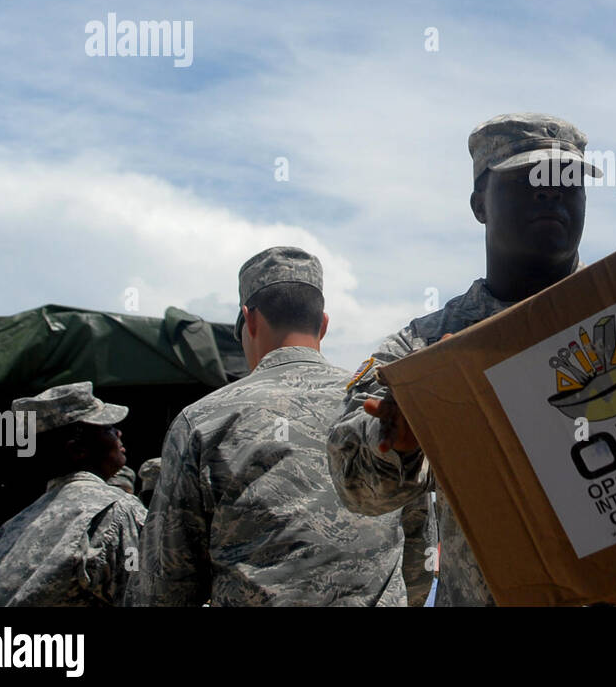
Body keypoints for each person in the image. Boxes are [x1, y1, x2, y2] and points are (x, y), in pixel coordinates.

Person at [328, 113, 599, 606]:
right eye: (528, 178)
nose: (550, 191)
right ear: (479, 204)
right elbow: (354, 485)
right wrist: (399, 441)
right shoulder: (422, 348)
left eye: (568, 180)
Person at [132, 247, 410, 606]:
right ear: (323, 324)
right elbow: (416, 555)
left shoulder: (202, 421)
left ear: (249, 320)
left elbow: (165, 587)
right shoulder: (376, 406)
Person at [0, 382, 145, 607]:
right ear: (77, 450)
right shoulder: (118, 510)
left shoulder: (9, 530)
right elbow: (141, 595)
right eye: (107, 428)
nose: (119, 432)